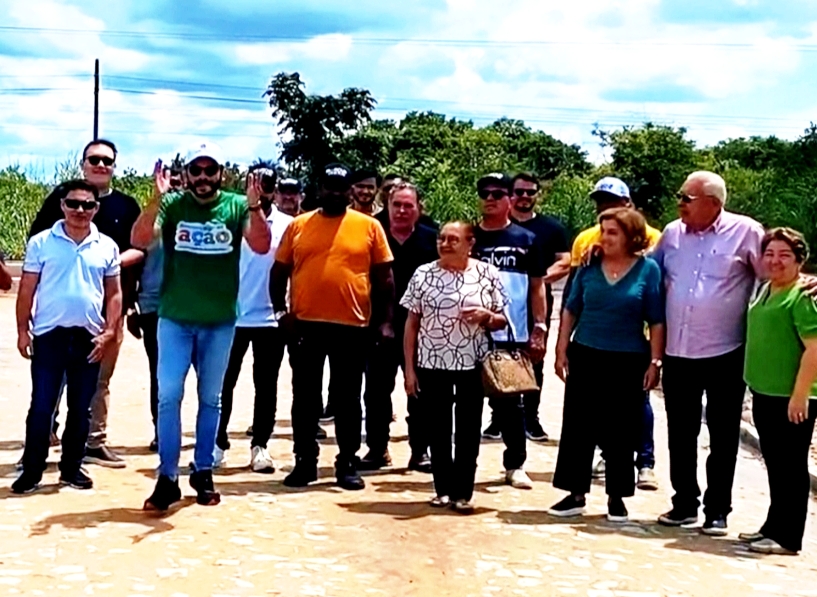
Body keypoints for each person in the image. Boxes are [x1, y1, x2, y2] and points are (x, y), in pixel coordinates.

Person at [133, 142, 272, 511]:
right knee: (168, 396)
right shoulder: (172, 204)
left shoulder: (237, 205)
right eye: (196, 170)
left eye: (211, 170)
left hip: (219, 321)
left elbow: (261, 245)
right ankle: (167, 477)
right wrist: (155, 199)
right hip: (175, 319)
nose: (203, 177)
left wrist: (254, 206)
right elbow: (140, 239)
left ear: (221, 173)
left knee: (211, 398)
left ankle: (203, 470)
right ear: (187, 173)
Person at [653, 171, 765, 535]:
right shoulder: (672, 233)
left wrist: (807, 282)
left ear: (713, 203)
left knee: (723, 434)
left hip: (726, 351)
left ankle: (717, 509)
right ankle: (684, 503)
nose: (679, 203)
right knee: (680, 432)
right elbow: (648, 271)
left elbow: (773, 274)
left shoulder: (746, 231)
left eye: (687, 198)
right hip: (678, 350)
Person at [271, 163, 395, 491]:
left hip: (352, 326)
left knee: (347, 398)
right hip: (305, 326)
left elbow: (385, 279)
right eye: (330, 186)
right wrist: (281, 313)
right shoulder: (299, 226)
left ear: (350, 191)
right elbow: (279, 272)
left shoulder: (369, 227)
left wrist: (385, 322)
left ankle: (347, 462)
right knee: (305, 398)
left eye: (342, 187)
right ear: (320, 189)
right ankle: (305, 461)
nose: (336, 193)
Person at [28, 139, 143, 469]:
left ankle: (93, 442)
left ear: (114, 166)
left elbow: (141, 248)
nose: (100, 165)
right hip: (58, 315)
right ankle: (41, 442)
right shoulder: (61, 197)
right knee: (50, 383)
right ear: (83, 163)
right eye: (94, 159)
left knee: (98, 381)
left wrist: (108, 264)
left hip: (107, 311)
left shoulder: (126, 206)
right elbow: (37, 245)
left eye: (107, 160)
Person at [548, 208, 664, 522]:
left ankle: (617, 496)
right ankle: (575, 493)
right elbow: (571, 308)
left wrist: (655, 362)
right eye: (604, 231)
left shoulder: (648, 270)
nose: (605, 237)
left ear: (631, 236)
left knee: (621, 429)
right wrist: (561, 349)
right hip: (586, 353)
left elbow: (656, 319)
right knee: (578, 426)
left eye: (613, 232)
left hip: (628, 359)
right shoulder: (588, 266)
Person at [12, 180, 122, 494]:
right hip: (49, 335)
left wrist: (110, 331)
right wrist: (22, 330)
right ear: (62, 206)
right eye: (73, 203)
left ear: (96, 209)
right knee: (42, 406)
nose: (80, 210)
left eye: (87, 205)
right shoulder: (42, 243)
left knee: (81, 408)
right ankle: (32, 471)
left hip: (89, 337)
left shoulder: (107, 246)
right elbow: (27, 289)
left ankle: (71, 469)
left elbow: (114, 294)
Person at [402, 221, 508, 513]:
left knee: (468, 429)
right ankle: (443, 489)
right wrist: (409, 370)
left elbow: (502, 319)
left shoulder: (487, 273)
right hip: (432, 363)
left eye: (453, 239)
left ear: (470, 243)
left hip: (472, 363)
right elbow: (411, 324)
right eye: (442, 238)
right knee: (437, 428)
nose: (446, 244)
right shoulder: (423, 274)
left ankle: (463, 492)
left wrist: (486, 316)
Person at [741, 228, 817, 555]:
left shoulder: (803, 296)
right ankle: (773, 526)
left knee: (791, 467)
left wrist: (800, 395)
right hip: (765, 392)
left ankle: (788, 537)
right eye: (770, 253)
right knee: (775, 464)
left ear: (800, 260)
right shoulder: (766, 289)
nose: (776, 261)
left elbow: (814, 349)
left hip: (792, 397)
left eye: (785, 255)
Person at [472, 172, 547, 490]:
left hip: (511, 334)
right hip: (470, 335)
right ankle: (465, 465)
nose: (490, 199)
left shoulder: (526, 239)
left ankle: (515, 464)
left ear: (509, 199)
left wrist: (539, 327)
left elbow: (537, 287)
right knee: (469, 402)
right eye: (485, 193)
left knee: (511, 404)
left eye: (497, 193)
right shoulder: (469, 238)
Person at [216, 165, 293, 472]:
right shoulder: (230, 218)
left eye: (267, 185)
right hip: (229, 315)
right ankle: (217, 443)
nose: (261, 190)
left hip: (270, 318)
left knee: (266, 384)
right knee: (222, 383)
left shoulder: (288, 225)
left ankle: (260, 445)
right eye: (255, 183)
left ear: (275, 189)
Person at [358, 182, 438, 472]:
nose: (402, 210)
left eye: (408, 205)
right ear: (387, 206)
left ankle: (420, 451)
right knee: (376, 392)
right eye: (397, 205)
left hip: (423, 328)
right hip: (378, 326)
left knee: (421, 392)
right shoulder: (372, 233)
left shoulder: (432, 239)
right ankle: (377, 449)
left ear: (418, 208)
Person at [503, 172, 571, 443]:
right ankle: (499, 419)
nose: (524, 197)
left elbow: (565, 261)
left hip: (537, 303)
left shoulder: (551, 228)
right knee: (498, 358)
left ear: (537, 195)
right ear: (510, 194)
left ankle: (531, 418)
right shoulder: (496, 226)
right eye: (519, 191)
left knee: (534, 357)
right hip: (501, 305)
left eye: (530, 192)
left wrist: (536, 279)